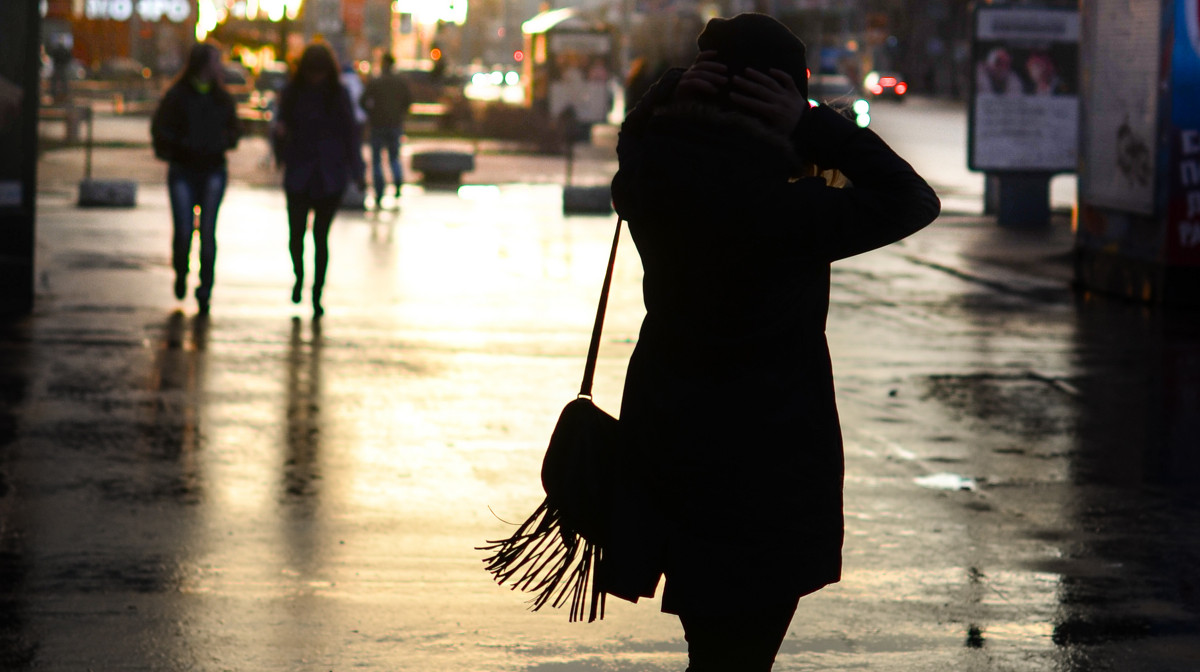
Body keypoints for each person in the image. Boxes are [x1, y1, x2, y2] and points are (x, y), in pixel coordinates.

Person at [603, 13, 940, 671]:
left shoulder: (652, 184)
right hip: (765, 477)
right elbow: (911, 199)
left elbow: (633, 139)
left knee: (714, 653)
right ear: (781, 99)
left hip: (674, 457)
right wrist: (813, 124)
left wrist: (672, 89)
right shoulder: (785, 212)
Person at [273, 42, 366, 317]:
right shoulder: (292, 93)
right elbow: (280, 127)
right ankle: (299, 276)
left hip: (329, 174)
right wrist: (281, 151)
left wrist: (358, 172)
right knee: (296, 235)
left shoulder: (338, 94)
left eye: (320, 73)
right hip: (301, 172)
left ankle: (317, 292)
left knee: (321, 237)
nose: (316, 78)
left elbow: (351, 134)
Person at [150, 42, 241, 314]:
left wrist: (223, 141)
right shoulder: (178, 95)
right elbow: (160, 128)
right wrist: (178, 145)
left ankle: (205, 288)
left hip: (213, 168)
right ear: (203, 64)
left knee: (208, 231)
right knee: (184, 229)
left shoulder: (222, 98)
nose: (220, 66)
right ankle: (181, 272)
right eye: (216, 61)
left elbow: (235, 129)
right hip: (183, 169)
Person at [359, 53, 412, 209]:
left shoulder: (376, 81)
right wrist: (400, 113)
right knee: (394, 157)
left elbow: (362, 101)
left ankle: (379, 192)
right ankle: (397, 182)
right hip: (395, 124)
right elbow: (408, 101)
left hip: (377, 124)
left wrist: (372, 113)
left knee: (376, 161)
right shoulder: (400, 82)